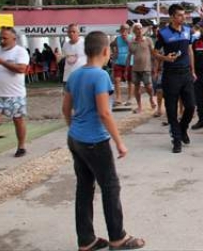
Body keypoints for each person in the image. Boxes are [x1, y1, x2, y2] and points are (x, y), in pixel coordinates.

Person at [62, 31, 145, 251]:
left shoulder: (75, 75)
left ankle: (86, 240)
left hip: (76, 138)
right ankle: (118, 238)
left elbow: (65, 108)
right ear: (106, 51)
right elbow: (104, 113)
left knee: (84, 188)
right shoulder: (100, 76)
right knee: (110, 187)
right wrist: (119, 142)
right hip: (95, 141)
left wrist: (75, 128)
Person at [0, 27, 29, 166]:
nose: (1, 40)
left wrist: (2, 62)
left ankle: (21, 146)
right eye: (1, 37)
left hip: (15, 95)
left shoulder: (21, 52)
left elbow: (21, 69)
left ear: (14, 39)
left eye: (5, 38)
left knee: (18, 120)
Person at [153, 4, 196, 154]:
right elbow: (155, 52)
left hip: (185, 73)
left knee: (190, 106)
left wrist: (193, 70)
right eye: (179, 15)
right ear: (172, 17)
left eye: (184, 15)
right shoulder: (163, 33)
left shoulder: (187, 31)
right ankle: (176, 140)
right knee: (171, 110)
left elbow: (190, 51)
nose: (183, 17)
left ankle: (183, 128)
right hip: (170, 75)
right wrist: (165, 58)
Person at [127, 23, 156, 114]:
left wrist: (155, 66)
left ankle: (151, 98)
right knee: (136, 87)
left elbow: (153, 54)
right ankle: (139, 106)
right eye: (137, 29)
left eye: (140, 28)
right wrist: (126, 69)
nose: (139, 30)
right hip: (135, 68)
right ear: (134, 31)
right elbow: (129, 56)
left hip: (146, 67)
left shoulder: (148, 40)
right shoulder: (132, 43)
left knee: (149, 86)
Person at [110, 25, 133, 107]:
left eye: (125, 30)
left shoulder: (131, 37)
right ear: (120, 31)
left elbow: (133, 47)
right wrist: (114, 53)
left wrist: (127, 40)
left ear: (128, 30)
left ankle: (130, 98)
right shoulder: (117, 38)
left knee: (130, 81)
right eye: (122, 30)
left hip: (130, 62)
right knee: (117, 80)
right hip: (119, 61)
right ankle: (118, 98)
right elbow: (111, 44)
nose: (124, 32)